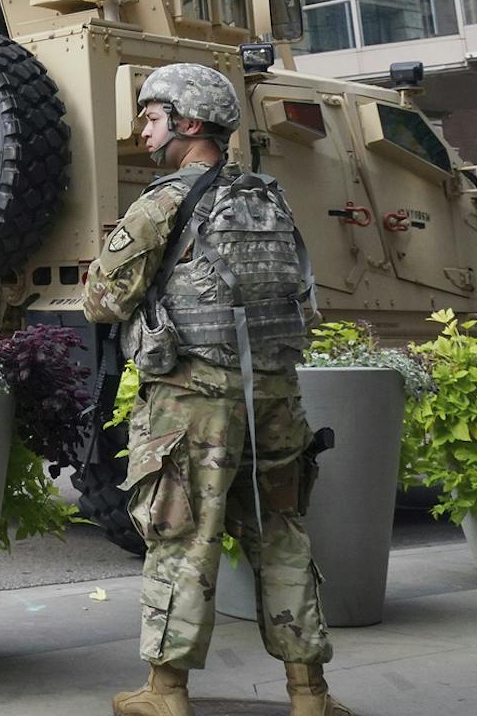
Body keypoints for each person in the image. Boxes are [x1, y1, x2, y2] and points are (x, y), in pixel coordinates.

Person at [84, 62, 352, 716]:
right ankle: (309, 693)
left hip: (192, 402)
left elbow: (100, 300)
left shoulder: (162, 203)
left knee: (182, 538)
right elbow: (298, 298)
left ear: (190, 123)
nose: (143, 131)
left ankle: (166, 691)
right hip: (275, 398)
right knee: (283, 535)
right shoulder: (269, 199)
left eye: (152, 117)